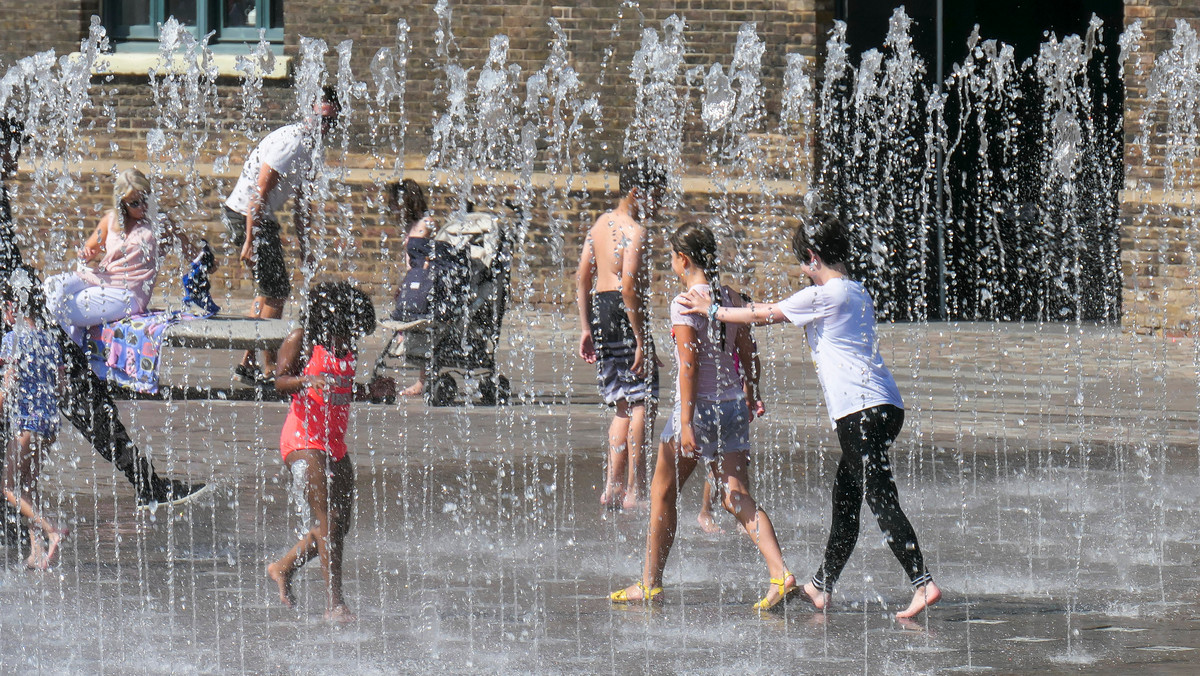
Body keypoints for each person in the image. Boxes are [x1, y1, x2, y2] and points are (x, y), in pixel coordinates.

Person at [680, 213, 941, 619]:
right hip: (887, 406)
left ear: (814, 257)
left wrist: (713, 310)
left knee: (879, 497)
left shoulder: (824, 295)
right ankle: (820, 586)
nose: (802, 270)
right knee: (847, 497)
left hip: (859, 411)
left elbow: (764, 315)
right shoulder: (856, 290)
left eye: (803, 262)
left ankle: (922, 583)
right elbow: (765, 307)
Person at [0, 116, 205, 509]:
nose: (15, 160)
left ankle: (144, 484)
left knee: (69, 405)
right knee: (82, 404)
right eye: (13, 150)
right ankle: (146, 485)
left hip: (25, 317)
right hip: (22, 322)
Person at [610, 223, 798, 610]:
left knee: (662, 494)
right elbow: (749, 351)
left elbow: (689, 368)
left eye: (673, 259)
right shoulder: (731, 298)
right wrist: (752, 394)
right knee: (736, 495)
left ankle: (649, 584)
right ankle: (780, 573)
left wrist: (687, 422)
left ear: (683, 259)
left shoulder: (685, 304)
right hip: (731, 408)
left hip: (698, 409)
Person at [267, 281, 395, 623]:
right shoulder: (302, 340)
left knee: (340, 526)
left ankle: (282, 567)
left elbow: (342, 391)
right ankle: (334, 604)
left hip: (334, 442)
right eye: (350, 327)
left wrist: (373, 390)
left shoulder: (346, 346)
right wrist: (306, 382)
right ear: (333, 320)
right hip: (303, 439)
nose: (354, 335)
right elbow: (278, 381)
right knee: (327, 523)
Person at [223, 86, 341, 385]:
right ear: (309, 114)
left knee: (267, 292)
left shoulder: (312, 149)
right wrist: (249, 241)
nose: (325, 127)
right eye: (321, 118)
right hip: (247, 215)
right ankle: (269, 369)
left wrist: (306, 246)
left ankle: (248, 365)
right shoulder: (291, 143)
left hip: (261, 218)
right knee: (276, 293)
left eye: (332, 122)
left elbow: (302, 204)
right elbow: (258, 194)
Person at [576, 158, 666, 510]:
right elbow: (629, 287)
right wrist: (643, 339)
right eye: (655, 197)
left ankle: (612, 486)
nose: (658, 205)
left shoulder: (599, 225)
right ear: (636, 193)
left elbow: (583, 276)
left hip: (600, 311)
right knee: (644, 399)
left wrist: (585, 327)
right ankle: (636, 490)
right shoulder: (635, 230)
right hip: (622, 310)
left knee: (622, 404)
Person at [45, 167, 207, 345]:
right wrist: (87, 254)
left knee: (63, 309)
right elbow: (89, 249)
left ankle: (67, 356)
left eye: (145, 199)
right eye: (134, 203)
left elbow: (189, 250)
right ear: (122, 203)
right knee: (50, 286)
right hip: (101, 278)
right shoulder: (111, 220)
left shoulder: (160, 222)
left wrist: (205, 260)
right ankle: (71, 354)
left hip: (127, 293)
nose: (142, 206)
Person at [0, 268, 67, 569]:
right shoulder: (51, 339)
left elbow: (7, 384)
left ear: (13, 307)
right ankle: (36, 550)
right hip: (50, 424)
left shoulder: (12, 340)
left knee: (8, 488)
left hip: (27, 424)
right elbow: (62, 386)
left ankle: (52, 530)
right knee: (29, 485)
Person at [388, 178, 437, 397]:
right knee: (411, 328)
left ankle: (422, 380)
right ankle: (421, 379)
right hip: (412, 280)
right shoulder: (411, 225)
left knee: (422, 328)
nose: (394, 209)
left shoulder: (427, 223)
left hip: (424, 282)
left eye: (397, 203)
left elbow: (428, 256)